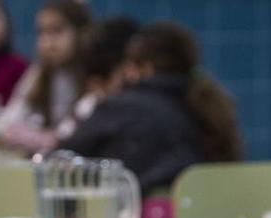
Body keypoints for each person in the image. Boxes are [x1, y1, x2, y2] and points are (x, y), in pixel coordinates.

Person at [58, 21, 243, 193]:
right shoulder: (206, 110)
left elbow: (61, 163)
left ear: (144, 68)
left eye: (128, 65)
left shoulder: (119, 108)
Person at [0, 0, 91, 153]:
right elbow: (10, 119)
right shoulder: (38, 73)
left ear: (81, 33)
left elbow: (70, 136)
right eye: (42, 32)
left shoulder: (94, 77)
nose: (47, 42)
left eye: (57, 31)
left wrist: (38, 138)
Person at [57, 15, 140, 139]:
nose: (133, 76)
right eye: (124, 76)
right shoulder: (88, 106)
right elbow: (61, 140)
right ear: (96, 84)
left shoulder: (140, 108)